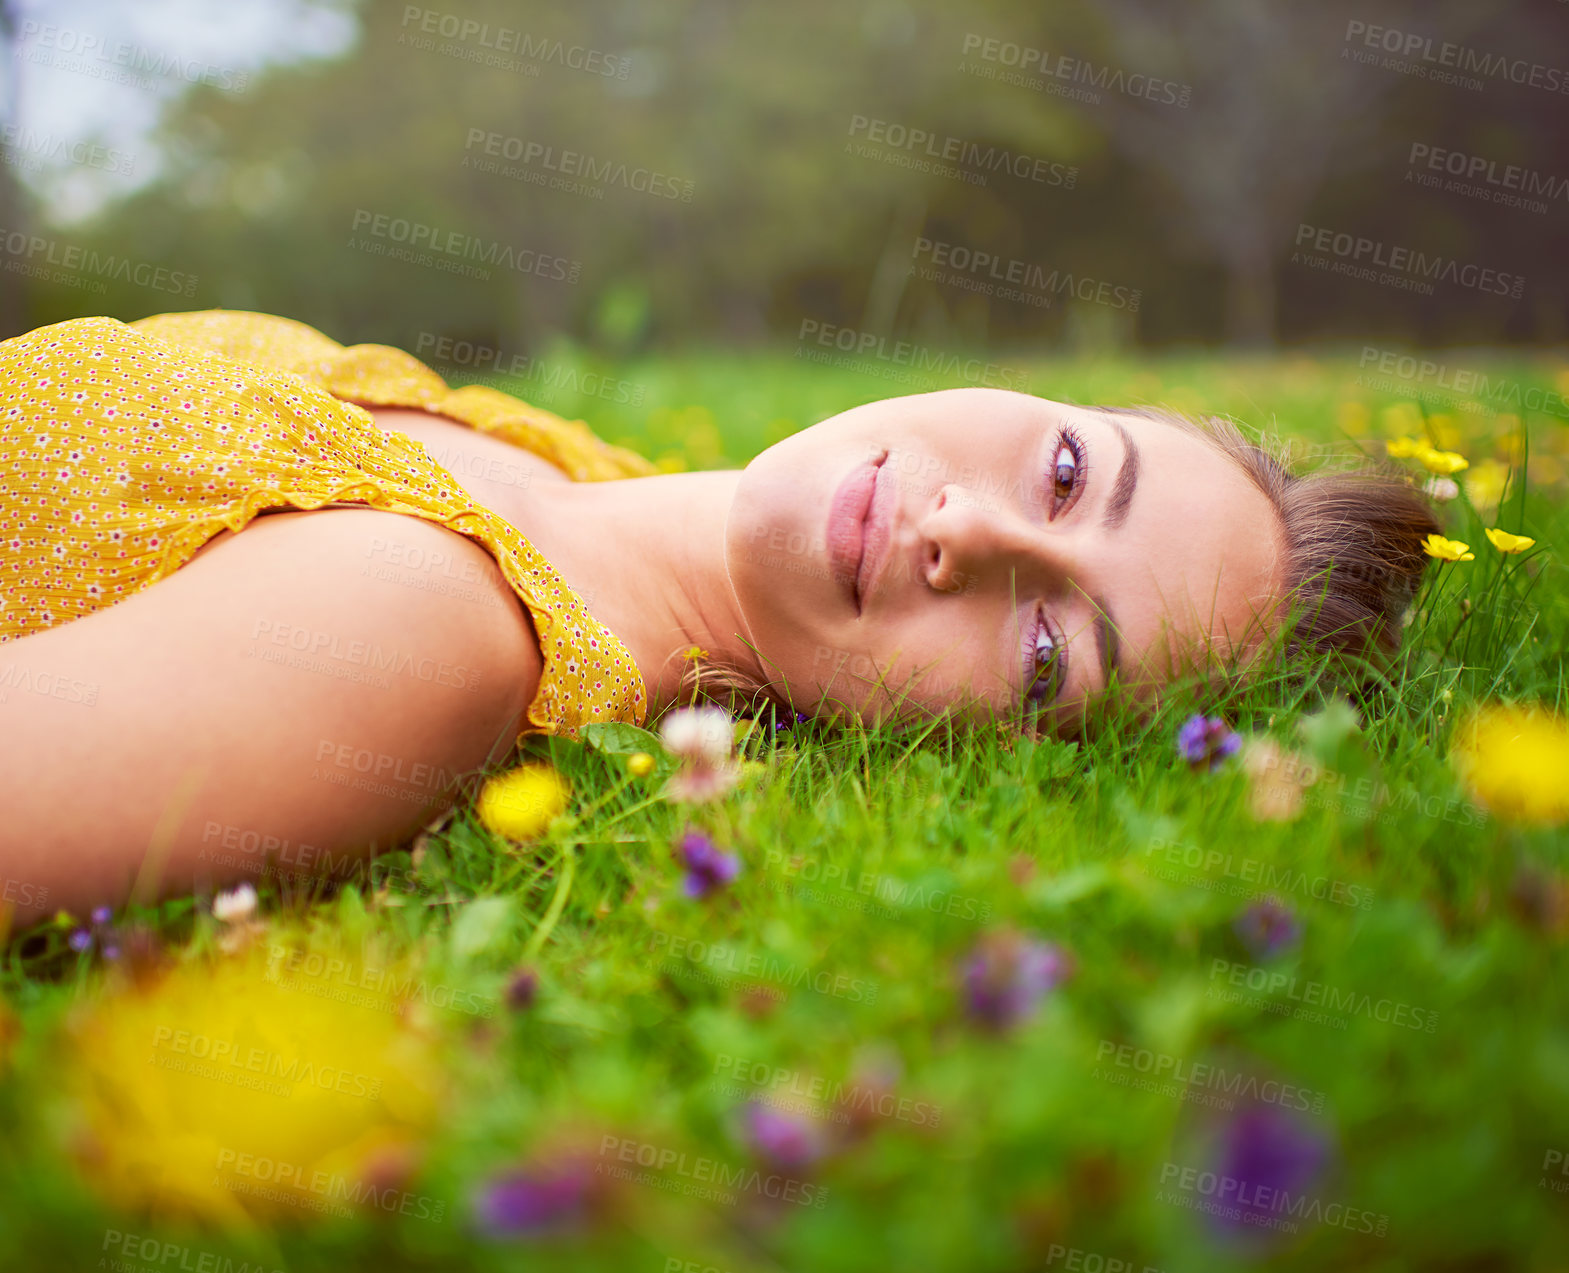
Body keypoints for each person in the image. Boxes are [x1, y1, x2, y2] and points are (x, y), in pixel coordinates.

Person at [0, 311, 1438, 924]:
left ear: (974, 758)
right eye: (1065, 471)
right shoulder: (566, 463)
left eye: (1046, 647)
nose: (969, 532)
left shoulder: (423, 630)